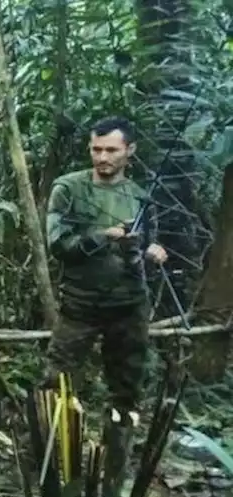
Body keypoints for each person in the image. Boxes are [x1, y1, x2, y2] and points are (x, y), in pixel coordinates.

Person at [45, 116, 167, 414]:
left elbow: (146, 249)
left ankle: (117, 454)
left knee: (127, 393)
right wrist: (102, 236)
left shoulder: (140, 197)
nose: (102, 157)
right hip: (80, 303)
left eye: (111, 150)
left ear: (130, 150)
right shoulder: (69, 189)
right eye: (96, 149)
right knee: (55, 384)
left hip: (129, 304)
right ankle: (46, 453)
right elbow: (58, 245)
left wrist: (153, 252)